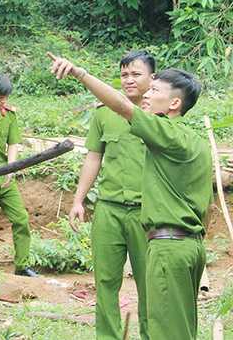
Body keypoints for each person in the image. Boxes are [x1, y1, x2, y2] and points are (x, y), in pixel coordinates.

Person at [49, 53, 212, 340]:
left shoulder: (164, 132)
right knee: (181, 328)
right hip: (188, 244)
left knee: (163, 326)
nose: (145, 94)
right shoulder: (194, 141)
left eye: (154, 90)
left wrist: (79, 72)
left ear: (174, 103)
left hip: (167, 244)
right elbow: (207, 205)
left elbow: (123, 106)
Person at [69, 50, 155, 340]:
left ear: (152, 78)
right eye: (124, 75)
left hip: (147, 212)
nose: (129, 80)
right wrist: (79, 199)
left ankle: (151, 335)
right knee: (105, 279)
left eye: (136, 74)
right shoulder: (104, 113)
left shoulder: (159, 113)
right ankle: (108, 336)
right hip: (109, 209)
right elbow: (94, 157)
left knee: (149, 282)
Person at [0, 73, 37, 277]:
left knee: (21, 219)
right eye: (0, 97)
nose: (4, 101)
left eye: (6, 98)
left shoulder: (9, 115)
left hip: (4, 176)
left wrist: (11, 169)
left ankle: (22, 265)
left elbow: (13, 144)